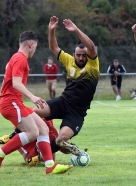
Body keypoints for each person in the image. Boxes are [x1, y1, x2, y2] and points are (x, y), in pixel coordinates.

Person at [0, 30, 72, 176]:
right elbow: (16, 83)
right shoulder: (20, 58)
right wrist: (32, 97)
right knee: (33, 132)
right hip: (11, 103)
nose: (35, 49)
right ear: (30, 44)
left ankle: (50, 166)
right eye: (35, 46)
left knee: (42, 128)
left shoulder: (16, 58)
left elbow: (8, 82)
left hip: (14, 102)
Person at [29, 16, 99, 158]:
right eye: (78, 55)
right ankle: (20, 139)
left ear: (88, 56)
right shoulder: (69, 61)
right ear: (73, 55)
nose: (81, 58)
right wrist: (51, 30)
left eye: (83, 56)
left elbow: (91, 47)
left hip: (77, 113)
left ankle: (43, 154)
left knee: (61, 139)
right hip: (62, 102)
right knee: (30, 113)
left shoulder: (93, 65)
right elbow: (53, 47)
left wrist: (76, 30)